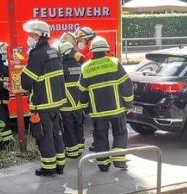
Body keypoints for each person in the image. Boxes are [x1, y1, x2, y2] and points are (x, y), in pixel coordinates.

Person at [19, 19, 66, 177]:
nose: (29, 37)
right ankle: (60, 165)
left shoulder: (37, 54)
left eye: (31, 34)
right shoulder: (54, 50)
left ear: (39, 36)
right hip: (56, 102)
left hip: (44, 103)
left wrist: (24, 70)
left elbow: (26, 82)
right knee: (56, 133)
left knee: (45, 137)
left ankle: (48, 168)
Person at [79, 36, 133, 172]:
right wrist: (128, 103)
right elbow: (127, 84)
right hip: (116, 109)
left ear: (92, 51)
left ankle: (103, 164)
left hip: (98, 112)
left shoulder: (85, 68)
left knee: (100, 136)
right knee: (120, 133)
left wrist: (85, 108)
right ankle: (119, 161)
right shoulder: (114, 63)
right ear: (106, 50)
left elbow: (81, 92)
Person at [56, 33, 87, 161]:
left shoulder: (60, 67)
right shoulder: (80, 66)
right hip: (79, 102)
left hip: (67, 104)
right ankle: (79, 148)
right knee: (79, 125)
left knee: (68, 128)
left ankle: (72, 151)